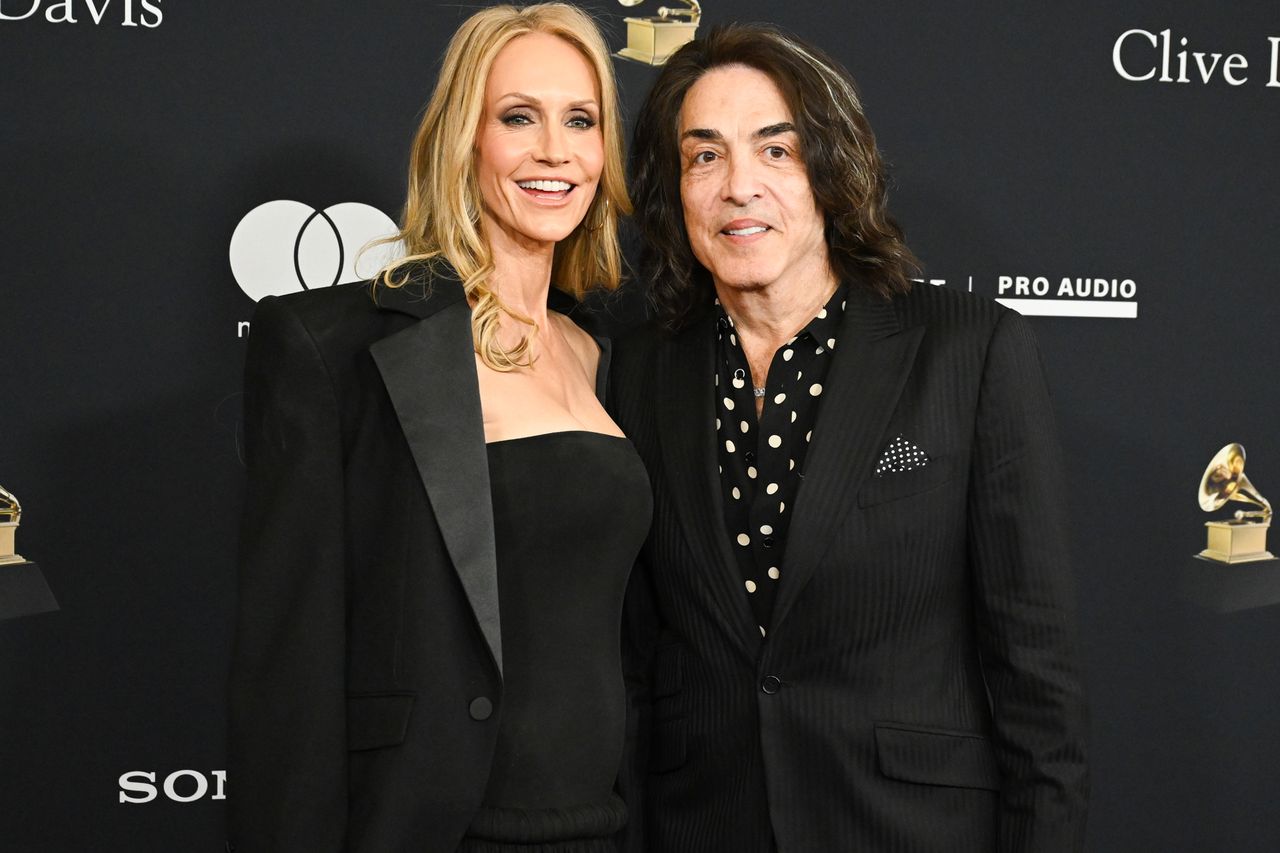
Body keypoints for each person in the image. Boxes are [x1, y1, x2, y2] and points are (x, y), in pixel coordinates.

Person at [613, 24, 1089, 853]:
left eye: (776, 150)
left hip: (909, 828)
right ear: (673, 188)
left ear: (831, 170)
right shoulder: (638, 370)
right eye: (705, 156)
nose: (739, 187)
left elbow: (1036, 669)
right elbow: (636, 659)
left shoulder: (967, 349)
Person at [227, 5, 647, 852]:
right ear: (464, 138)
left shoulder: (610, 353)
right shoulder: (334, 347)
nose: (555, 151)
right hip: (435, 828)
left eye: (582, 120)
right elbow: (290, 669)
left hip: (603, 827)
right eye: (518, 117)